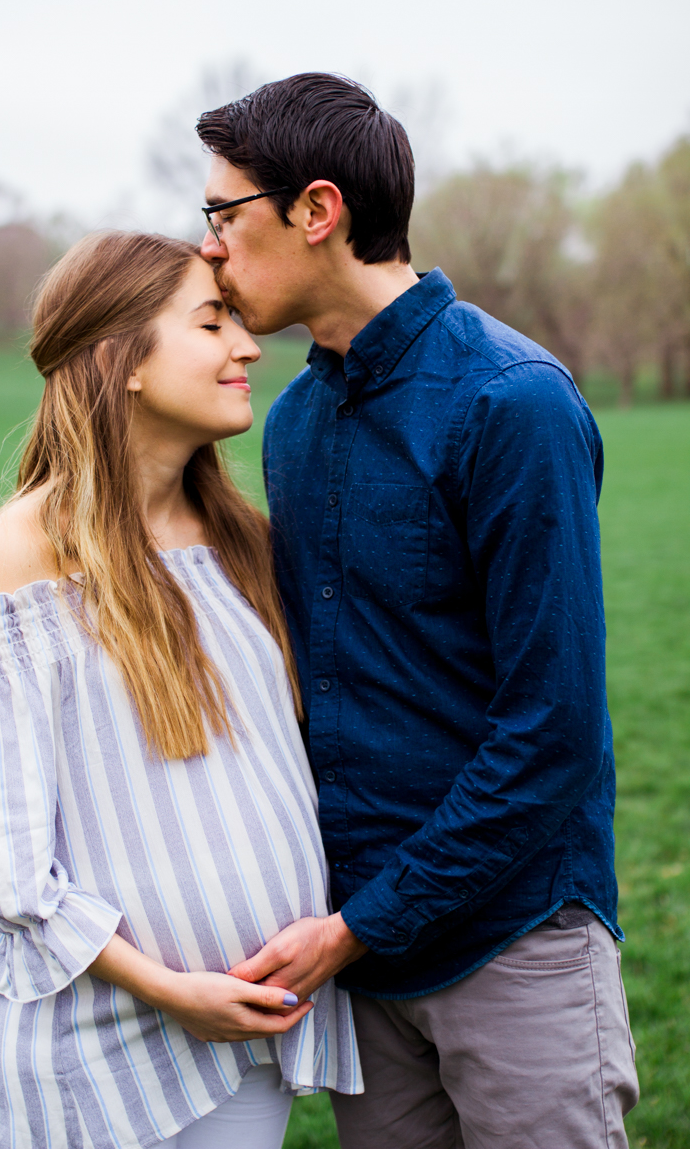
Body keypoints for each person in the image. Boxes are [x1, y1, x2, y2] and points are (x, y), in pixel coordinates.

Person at [196, 73, 640, 1148]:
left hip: (514, 939)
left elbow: (553, 736)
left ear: (316, 211)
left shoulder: (510, 402)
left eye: (222, 214)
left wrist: (356, 926)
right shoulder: (293, 421)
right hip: (362, 968)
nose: (206, 245)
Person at [0, 231, 361, 1149]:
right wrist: (170, 989)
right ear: (119, 358)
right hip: (108, 1056)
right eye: (212, 322)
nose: (247, 346)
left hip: (247, 1038)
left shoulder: (239, 539)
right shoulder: (25, 552)